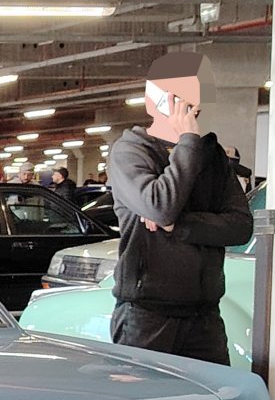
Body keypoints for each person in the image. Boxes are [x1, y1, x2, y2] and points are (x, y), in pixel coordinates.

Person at [108, 50, 252, 368]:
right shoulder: (130, 150)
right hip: (146, 317)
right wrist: (187, 140)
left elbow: (241, 226)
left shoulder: (212, 157)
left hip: (205, 318)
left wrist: (181, 225)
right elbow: (160, 206)